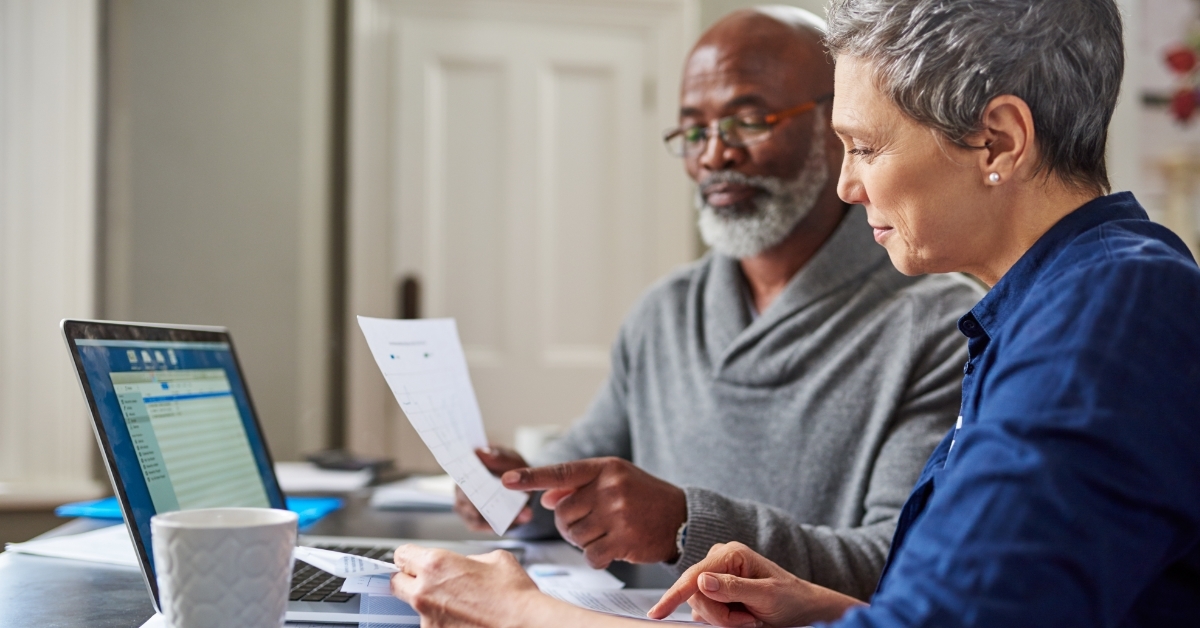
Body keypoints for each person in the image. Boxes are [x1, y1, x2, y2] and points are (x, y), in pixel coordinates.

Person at [386, 0, 1200, 626]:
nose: (848, 185)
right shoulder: (1044, 309)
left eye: (867, 147)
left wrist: (526, 614)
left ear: (997, 141)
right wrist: (824, 607)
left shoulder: (1110, 312)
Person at [452, 5, 983, 600]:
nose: (713, 155)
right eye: (694, 130)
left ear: (839, 126)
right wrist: (520, 490)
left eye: (749, 120)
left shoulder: (942, 326)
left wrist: (686, 525)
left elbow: (898, 558)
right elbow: (585, 476)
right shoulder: (665, 313)